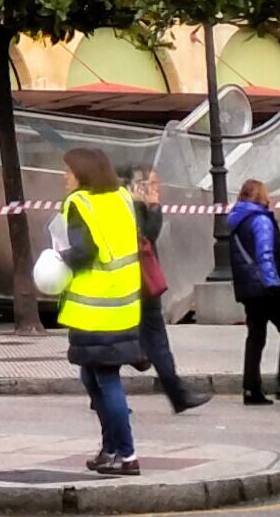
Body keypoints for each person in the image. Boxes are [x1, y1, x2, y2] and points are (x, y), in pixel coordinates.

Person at [55, 147, 149, 474]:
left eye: (68, 171)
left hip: (93, 307)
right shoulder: (122, 198)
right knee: (91, 376)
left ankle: (127, 455)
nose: (64, 177)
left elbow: (83, 252)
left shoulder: (79, 203)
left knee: (105, 380)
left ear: (82, 173)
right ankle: (110, 449)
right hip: (123, 303)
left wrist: (59, 259)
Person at [127, 166, 211, 416]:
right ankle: (177, 395)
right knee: (154, 342)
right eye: (151, 185)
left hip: (143, 284)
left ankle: (102, 390)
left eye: (157, 185)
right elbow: (148, 235)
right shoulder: (135, 208)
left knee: (145, 341)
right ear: (137, 185)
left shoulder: (132, 206)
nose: (156, 190)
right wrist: (153, 206)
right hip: (140, 284)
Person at [223, 179, 280, 405]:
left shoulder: (237, 220)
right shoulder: (260, 220)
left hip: (247, 287)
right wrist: (273, 285)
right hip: (265, 286)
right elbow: (265, 254)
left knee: (255, 336)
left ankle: (250, 388)